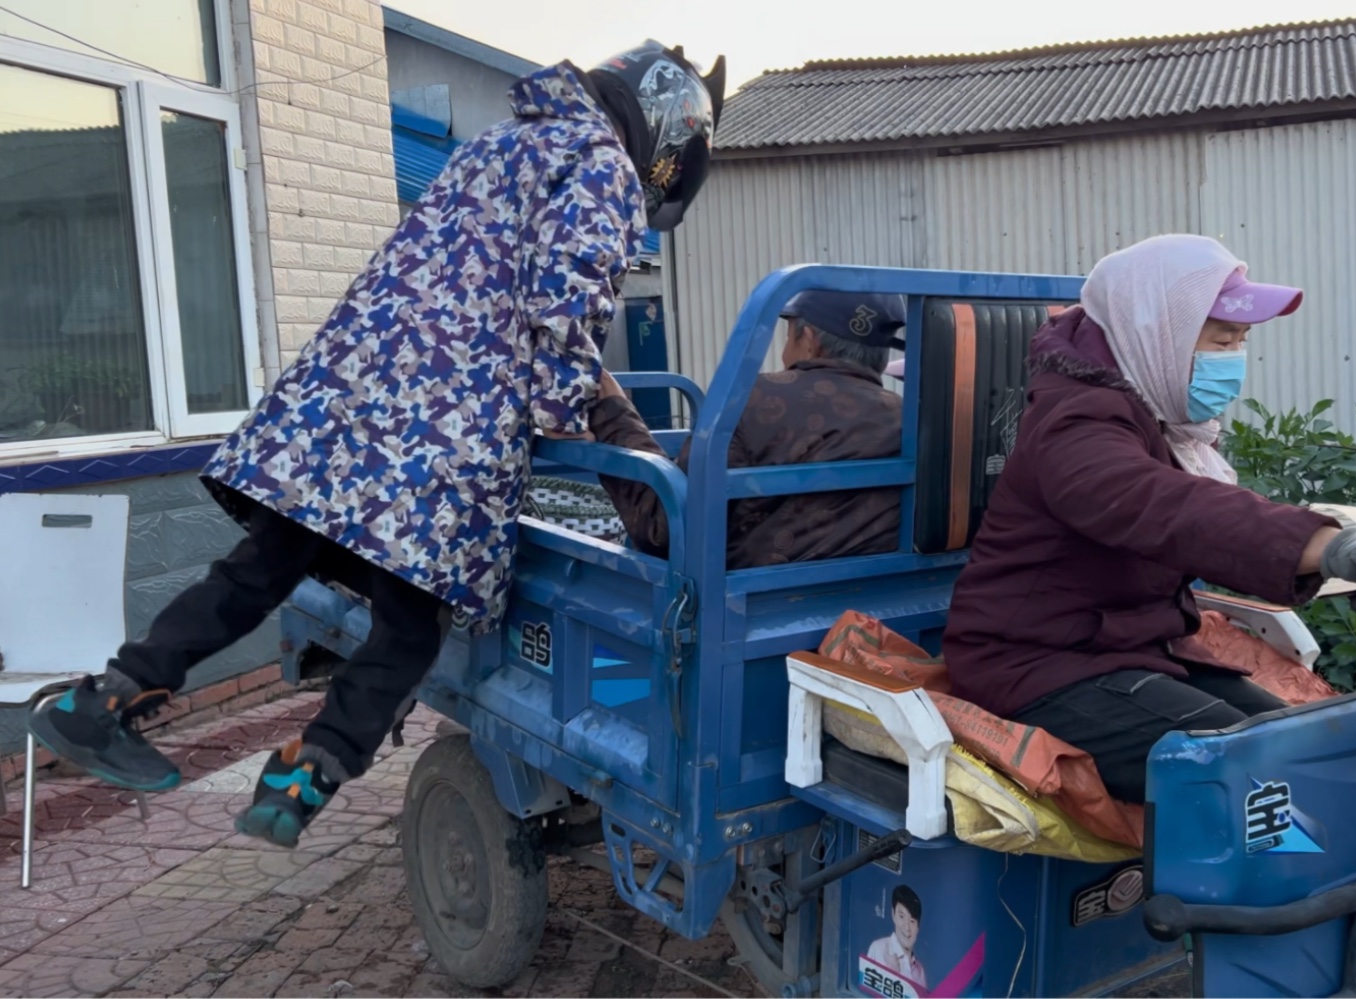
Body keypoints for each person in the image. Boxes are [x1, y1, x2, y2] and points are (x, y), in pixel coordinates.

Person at [28, 42, 727, 847]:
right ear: (670, 131)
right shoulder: (600, 164)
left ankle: (103, 699)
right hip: (436, 435)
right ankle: (294, 785)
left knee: (258, 569)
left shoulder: (502, 143)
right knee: (408, 628)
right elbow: (565, 303)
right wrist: (564, 409)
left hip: (346, 404)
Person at [943, 233, 1356, 804]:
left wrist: (1347, 565)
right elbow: (1159, 504)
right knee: (1255, 778)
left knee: (1309, 748)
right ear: (1157, 331)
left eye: (1240, 339)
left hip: (1130, 649)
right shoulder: (1076, 421)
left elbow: (1204, 524)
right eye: (1219, 339)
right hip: (1036, 664)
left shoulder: (1156, 412)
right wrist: (1321, 546)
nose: (1233, 356)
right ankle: (1235, 893)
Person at [590, 290, 906, 567]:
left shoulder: (749, 399)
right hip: (873, 611)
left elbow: (666, 529)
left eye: (787, 336)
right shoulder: (907, 416)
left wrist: (615, 417)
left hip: (747, 610)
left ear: (808, 341)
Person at [866, 883, 928, 989]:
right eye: (902, 916)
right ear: (893, 914)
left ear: (918, 927)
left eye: (912, 921)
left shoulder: (919, 971)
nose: (907, 927)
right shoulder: (878, 949)